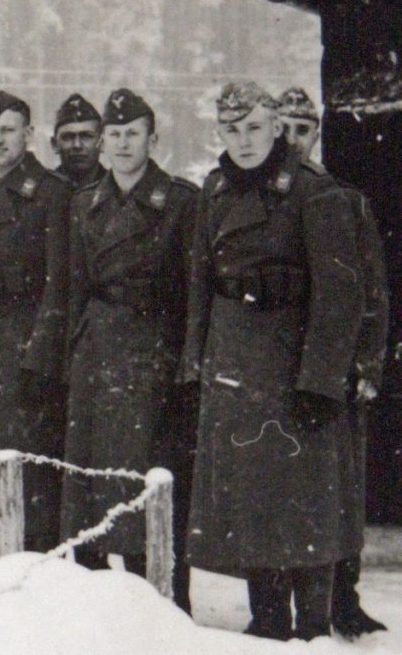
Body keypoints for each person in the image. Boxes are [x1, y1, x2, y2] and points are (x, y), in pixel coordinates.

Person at [178, 82, 363, 640]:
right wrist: (196, 366)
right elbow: (200, 285)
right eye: (232, 130)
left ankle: (312, 628)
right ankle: (267, 622)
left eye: (254, 128)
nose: (244, 140)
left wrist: (321, 381)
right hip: (236, 362)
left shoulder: (313, 191)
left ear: (275, 127)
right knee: (253, 503)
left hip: (294, 364)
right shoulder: (215, 191)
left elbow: (340, 294)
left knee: (306, 504)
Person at [60, 89, 197, 613]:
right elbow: (73, 287)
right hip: (96, 356)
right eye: (113, 135)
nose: (120, 144)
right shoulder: (86, 203)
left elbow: (192, 291)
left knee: (150, 488)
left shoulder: (181, 202)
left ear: (152, 140)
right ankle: (98, 612)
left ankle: (162, 607)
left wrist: (185, 365)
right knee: (93, 488)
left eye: (131, 134)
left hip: (152, 356)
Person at [277, 86, 389, 638]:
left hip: (334, 371)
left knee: (340, 490)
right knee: (285, 490)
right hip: (278, 370)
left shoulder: (341, 199)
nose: (292, 140)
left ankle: (344, 598)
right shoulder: (264, 202)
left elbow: (371, 290)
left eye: (303, 129)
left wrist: (366, 364)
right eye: (285, 128)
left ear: (316, 134)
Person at [0, 89, 71, 561]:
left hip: (26, 347)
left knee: (31, 478)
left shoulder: (52, 193)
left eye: (7, 130)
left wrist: (40, 356)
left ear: (29, 134)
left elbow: (60, 283)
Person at [51, 93, 106, 188]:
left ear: (102, 143)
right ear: (55, 144)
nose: (77, 145)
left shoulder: (121, 191)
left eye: (86, 136)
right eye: (68, 137)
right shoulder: (40, 191)